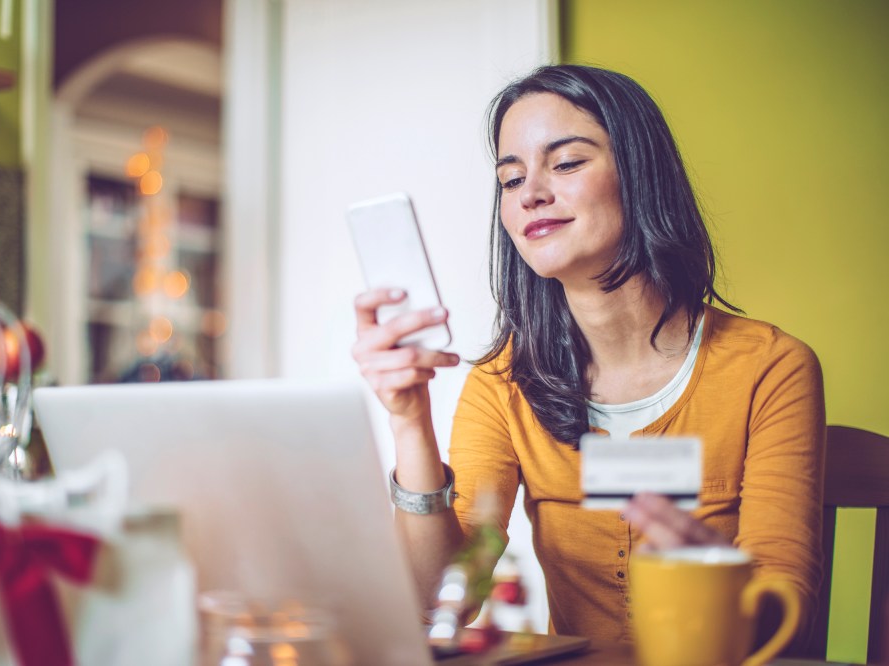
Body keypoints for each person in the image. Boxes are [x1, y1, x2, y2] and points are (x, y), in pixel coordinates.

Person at [351, 64, 825, 643]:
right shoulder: (503, 383)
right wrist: (409, 423)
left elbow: (783, 607)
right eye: (510, 179)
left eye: (568, 162)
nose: (532, 194)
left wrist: (717, 578)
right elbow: (440, 600)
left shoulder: (770, 369)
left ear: (639, 173)